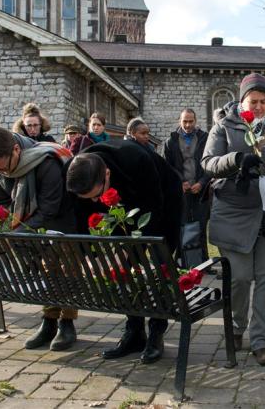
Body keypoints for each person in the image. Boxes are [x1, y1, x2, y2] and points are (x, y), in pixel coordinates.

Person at [202, 73, 265, 366]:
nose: (258, 106)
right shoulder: (223, 126)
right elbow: (207, 163)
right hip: (234, 214)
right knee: (241, 278)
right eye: (252, 101)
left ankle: (261, 341)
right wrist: (235, 160)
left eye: (263, 101)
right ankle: (235, 329)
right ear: (242, 101)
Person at [66, 140, 182, 363]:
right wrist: (91, 257)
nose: (93, 201)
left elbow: (153, 211)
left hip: (163, 201)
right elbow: (80, 220)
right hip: (121, 213)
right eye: (87, 197)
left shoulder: (135, 158)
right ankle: (134, 330)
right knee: (120, 271)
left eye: (95, 194)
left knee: (160, 266)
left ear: (107, 174)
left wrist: (126, 251)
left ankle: (157, 331)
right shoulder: (76, 172)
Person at [0, 126, 77, 351]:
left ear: (15, 150)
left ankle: (66, 322)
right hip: (26, 220)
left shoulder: (46, 161)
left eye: (4, 168)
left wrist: (12, 234)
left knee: (62, 266)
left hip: (60, 218)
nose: (0, 173)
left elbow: (49, 209)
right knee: (43, 269)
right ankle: (49, 321)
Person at [163, 109, 210, 266]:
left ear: (196, 121)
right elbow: (167, 167)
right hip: (180, 191)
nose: (188, 125)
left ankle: (203, 262)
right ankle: (181, 261)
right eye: (185, 121)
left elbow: (210, 165)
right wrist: (180, 182)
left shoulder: (205, 139)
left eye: (191, 121)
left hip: (201, 190)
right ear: (179, 121)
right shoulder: (171, 141)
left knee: (201, 225)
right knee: (181, 224)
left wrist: (202, 183)